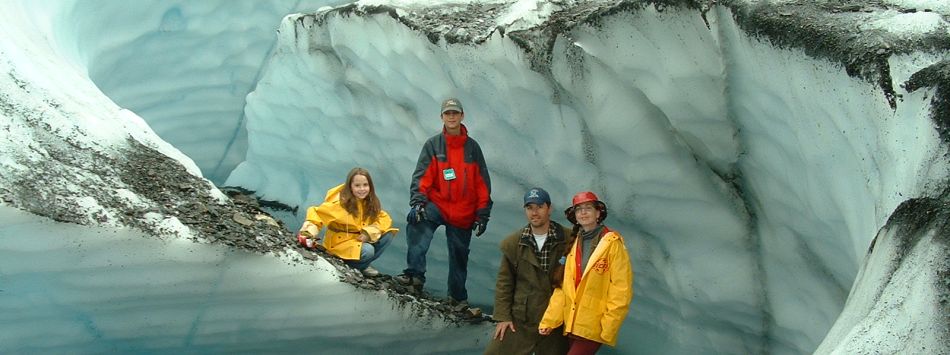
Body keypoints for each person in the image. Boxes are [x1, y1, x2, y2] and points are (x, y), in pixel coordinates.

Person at [395, 97, 493, 309]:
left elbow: (482, 183)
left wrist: (482, 213)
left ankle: (457, 298)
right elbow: (423, 176)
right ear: (442, 117)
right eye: (448, 113)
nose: (451, 116)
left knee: (459, 255)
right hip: (438, 205)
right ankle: (414, 276)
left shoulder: (472, 148)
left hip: (463, 210)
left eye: (455, 113)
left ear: (462, 116)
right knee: (418, 223)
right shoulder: (433, 145)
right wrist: (418, 202)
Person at [538, 191, 633, 355]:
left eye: (588, 208)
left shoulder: (612, 244)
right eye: (579, 209)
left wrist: (608, 326)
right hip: (573, 323)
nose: (583, 212)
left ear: (598, 213)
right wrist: (549, 321)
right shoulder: (574, 244)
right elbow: (563, 289)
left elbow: (621, 289)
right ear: (574, 216)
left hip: (595, 324)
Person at [484, 187, 570, 355]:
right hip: (522, 319)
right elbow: (505, 283)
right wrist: (503, 317)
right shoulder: (514, 243)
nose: (534, 212)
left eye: (539, 207)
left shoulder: (569, 239)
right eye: (529, 208)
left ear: (549, 208)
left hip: (556, 321)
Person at [296, 167, 398, 277]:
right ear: (350, 186)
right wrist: (307, 233)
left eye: (365, 185)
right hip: (339, 244)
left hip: (356, 241)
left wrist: (368, 233)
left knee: (388, 235)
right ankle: (353, 267)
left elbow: (384, 218)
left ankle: (362, 264)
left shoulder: (368, 202)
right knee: (368, 250)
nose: (362, 189)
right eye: (357, 185)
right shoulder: (340, 203)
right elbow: (317, 214)